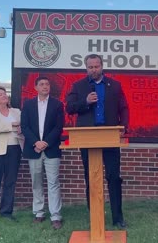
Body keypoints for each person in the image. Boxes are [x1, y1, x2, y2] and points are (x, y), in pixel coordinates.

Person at [66, 54, 129, 229]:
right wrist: (85, 102)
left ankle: (118, 218)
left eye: (96, 66)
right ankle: (94, 216)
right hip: (87, 137)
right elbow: (69, 108)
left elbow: (123, 108)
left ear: (102, 66)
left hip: (109, 136)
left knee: (114, 177)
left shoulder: (114, 85)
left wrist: (123, 127)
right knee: (91, 178)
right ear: (86, 68)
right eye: (90, 67)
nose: (93, 69)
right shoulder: (78, 86)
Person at [21, 77, 65, 230]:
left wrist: (45, 142)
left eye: (47, 84)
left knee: (53, 183)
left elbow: (59, 127)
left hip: (51, 149)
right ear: (36, 87)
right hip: (34, 150)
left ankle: (56, 216)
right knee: (36, 182)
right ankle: (39, 213)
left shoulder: (58, 105)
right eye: (42, 84)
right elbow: (24, 126)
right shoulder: (27, 104)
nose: (45, 86)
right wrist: (36, 142)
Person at [0, 86, 24, 224]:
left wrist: (18, 128)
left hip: (14, 149)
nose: (4, 96)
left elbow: (22, 126)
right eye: (0, 95)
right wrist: (12, 126)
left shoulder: (16, 111)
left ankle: (6, 212)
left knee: (10, 182)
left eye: (5, 94)